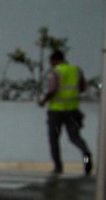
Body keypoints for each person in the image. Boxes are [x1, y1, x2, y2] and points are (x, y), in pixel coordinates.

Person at [39, 46, 91, 177]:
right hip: (73, 110)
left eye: (51, 61)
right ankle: (86, 156)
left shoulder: (55, 71)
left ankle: (58, 167)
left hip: (56, 111)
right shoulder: (76, 70)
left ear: (55, 59)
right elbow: (82, 87)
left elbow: (52, 90)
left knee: (54, 140)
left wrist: (43, 101)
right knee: (75, 138)